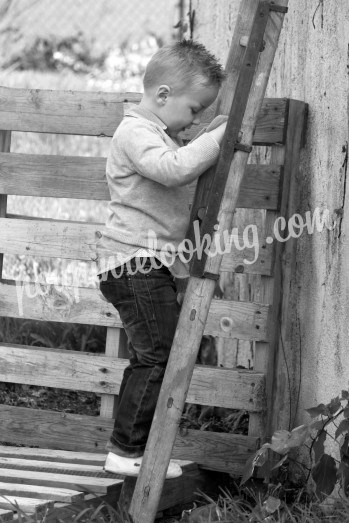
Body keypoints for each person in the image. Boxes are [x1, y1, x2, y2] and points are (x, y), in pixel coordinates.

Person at [96, 39, 227, 479]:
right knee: (157, 355)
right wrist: (220, 137)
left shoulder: (158, 134)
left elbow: (178, 162)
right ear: (163, 95)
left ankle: (133, 449)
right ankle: (126, 450)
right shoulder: (135, 133)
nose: (195, 121)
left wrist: (205, 136)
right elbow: (174, 169)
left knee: (154, 354)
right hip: (133, 263)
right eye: (194, 111)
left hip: (145, 264)